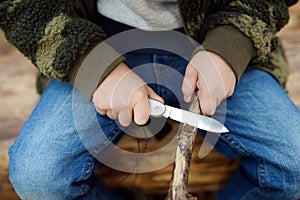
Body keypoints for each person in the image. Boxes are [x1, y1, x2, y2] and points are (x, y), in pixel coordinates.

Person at [1, 0, 300, 199]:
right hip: (91, 41)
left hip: (214, 37)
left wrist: (231, 43)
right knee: (38, 175)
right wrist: (91, 64)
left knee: (294, 160)